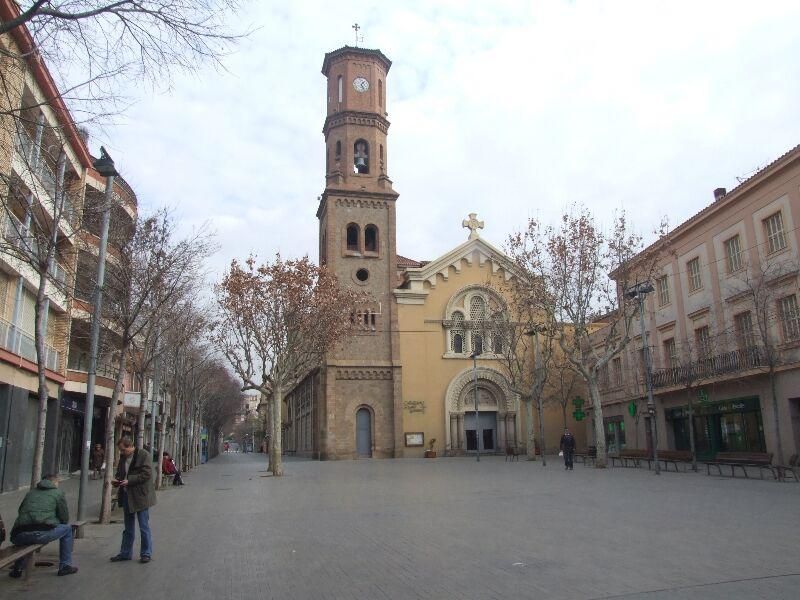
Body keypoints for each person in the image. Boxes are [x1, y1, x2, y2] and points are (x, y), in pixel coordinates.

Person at [8, 474, 78, 577]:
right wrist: (54, 521)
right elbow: (64, 518)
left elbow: (21, 510)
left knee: (25, 539)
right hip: (41, 533)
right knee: (67, 529)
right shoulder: (58, 493)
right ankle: (65, 566)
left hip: (19, 534)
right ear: (54, 482)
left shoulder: (30, 493)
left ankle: (17, 569)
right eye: (58, 482)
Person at [110, 437, 156, 564]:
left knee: (143, 526)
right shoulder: (123, 458)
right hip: (127, 495)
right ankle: (125, 553)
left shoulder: (143, 455)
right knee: (128, 527)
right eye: (120, 450)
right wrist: (117, 480)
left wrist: (130, 480)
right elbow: (121, 473)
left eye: (123, 450)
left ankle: (146, 553)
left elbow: (146, 474)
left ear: (130, 446)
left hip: (140, 496)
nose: (121, 452)